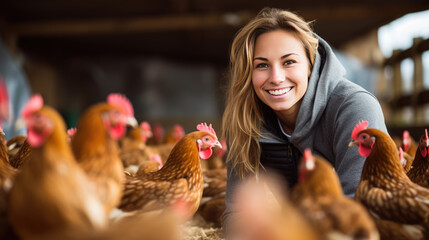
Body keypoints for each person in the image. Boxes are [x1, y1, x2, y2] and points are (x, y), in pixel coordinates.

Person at [221, 7, 387, 237]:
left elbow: (358, 212)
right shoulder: (244, 119)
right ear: (248, 72)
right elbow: (235, 213)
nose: (276, 77)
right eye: (262, 65)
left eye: (289, 62)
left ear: (311, 64)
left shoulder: (354, 107)